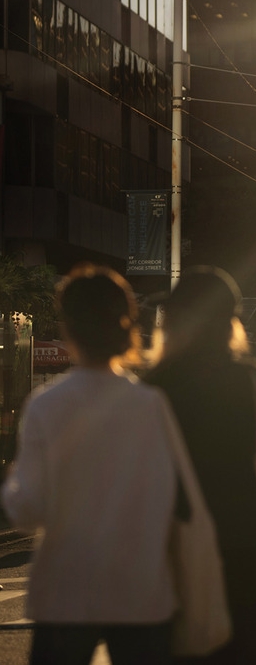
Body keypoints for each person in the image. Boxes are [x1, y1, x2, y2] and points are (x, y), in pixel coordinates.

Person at [1, 264, 179, 665]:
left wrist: (12, 484)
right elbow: (169, 496)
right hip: (140, 588)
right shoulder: (150, 405)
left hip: (67, 589)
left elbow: (28, 509)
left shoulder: (47, 405)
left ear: (69, 327)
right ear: (127, 326)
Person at [146, 266, 256, 664]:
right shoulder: (248, 379)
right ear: (230, 322)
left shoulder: (157, 385)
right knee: (255, 645)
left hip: (180, 543)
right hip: (247, 541)